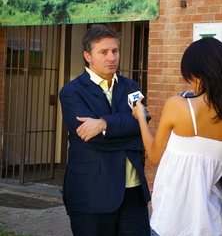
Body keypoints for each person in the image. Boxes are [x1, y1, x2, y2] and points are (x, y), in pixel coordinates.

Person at [59, 24, 151, 236]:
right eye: (104, 52)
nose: (112, 57)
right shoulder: (72, 92)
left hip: (133, 195)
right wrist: (129, 129)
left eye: (115, 51)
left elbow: (142, 121)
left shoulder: (131, 87)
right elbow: (92, 139)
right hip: (91, 194)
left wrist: (103, 124)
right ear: (87, 56)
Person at [132, 37, 222, 236]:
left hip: (170, 222)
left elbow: (155, 155)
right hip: (212, 224)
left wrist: (140, 117)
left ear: (197, 72)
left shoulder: (178, 105)